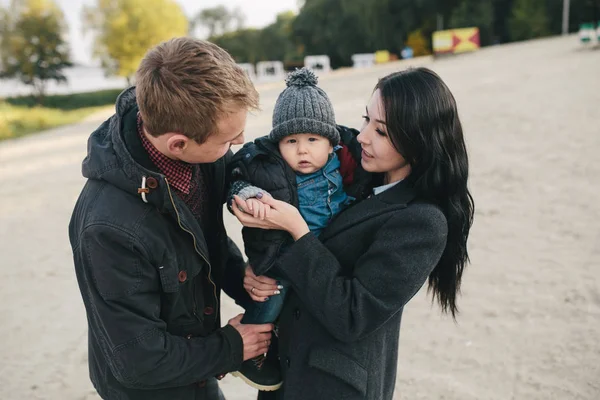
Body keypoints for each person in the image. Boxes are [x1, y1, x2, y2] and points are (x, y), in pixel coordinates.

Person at [232, 67, 475, 399]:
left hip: (335, 387)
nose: (362, 136)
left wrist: (296, 230)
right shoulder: (352, 171)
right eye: (366, 120)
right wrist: (257, 268)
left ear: (418, 142)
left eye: (382, 132)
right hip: (285, 372)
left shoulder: (423, 222)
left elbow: (352, 316)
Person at [68, 37, 274, 400]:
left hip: (199, 368)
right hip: (150, 388)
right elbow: (138, 361)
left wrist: (239, 276)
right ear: (178, 144)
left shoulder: (202, 159)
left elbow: (199, 238)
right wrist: (231, 346)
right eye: (228, 139)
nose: (240, 141)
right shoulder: (107, 228)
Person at [225, 68, 365, 391]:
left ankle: (273, 341)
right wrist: (248, 195)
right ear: (278, 143)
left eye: (312, 140)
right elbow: (237, 177)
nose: (302, 150)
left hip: (323, 253)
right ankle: (253, 348)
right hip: (283, 254)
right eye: (291, 141)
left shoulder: (346, 158)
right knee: (273, 295)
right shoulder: (269, 166)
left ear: (330, 142)